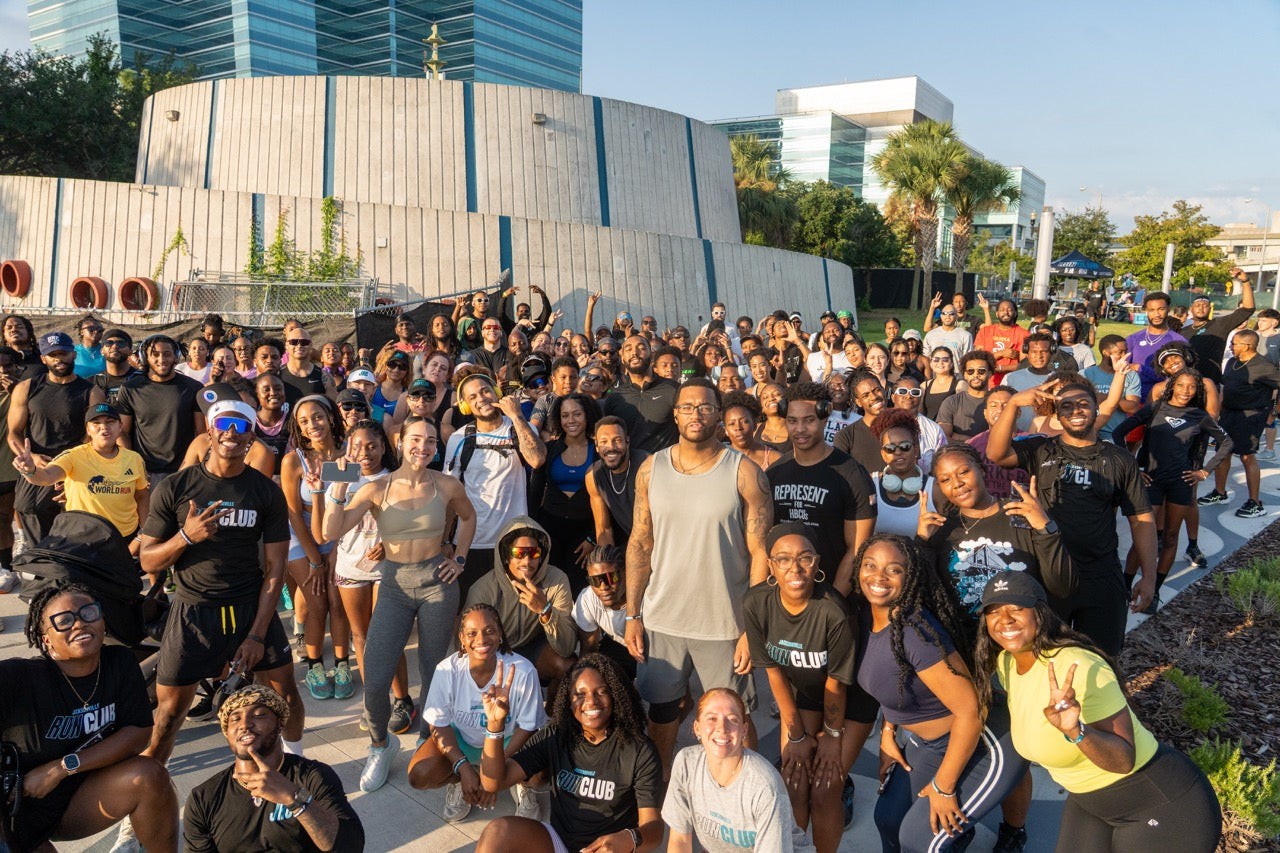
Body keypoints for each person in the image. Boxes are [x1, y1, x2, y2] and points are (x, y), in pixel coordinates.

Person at [975, 572, 1222, 852]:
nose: (1004, 619)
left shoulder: (1079, 666)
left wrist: (1076, 731)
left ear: (1040, 613)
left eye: (1016, 608)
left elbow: (1123, 760)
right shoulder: (1007, 663)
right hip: (1091, 802)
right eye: (993, 611)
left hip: (1161, 803)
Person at [137, 394, 304, 767]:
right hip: (193, 611)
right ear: (209, 433)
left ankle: (296, 766)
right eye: (224, 425)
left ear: (251, 439)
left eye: (242, 426)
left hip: (249, 608)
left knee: (286, 697)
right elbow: (148, 558)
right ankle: (150, 789)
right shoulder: (174, 489)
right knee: (168, 715)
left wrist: (258, 634)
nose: (232, 432)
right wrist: (185, 537)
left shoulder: (265, 492)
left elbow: (275, 567)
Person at [319, 415, 476, 791]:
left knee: (434, 669)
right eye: (416, 439)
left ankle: (427, 738)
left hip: (437, 582)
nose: (423, 447)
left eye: (430, 440)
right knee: (375, 677)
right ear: (400, 442)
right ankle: (380, 744)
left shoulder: (447, 484)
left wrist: (460, 559)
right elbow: (330, 531)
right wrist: (338, 486)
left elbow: (469, 518)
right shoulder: (377, 488)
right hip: (393, 584)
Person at [626, 378, 773, 778]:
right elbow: (640, 543)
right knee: (661, 715)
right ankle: (658, 790)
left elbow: (762, 553)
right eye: (687, 407)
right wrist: (632, 615)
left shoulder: (744, 473)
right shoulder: (651, 469)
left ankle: (746, 790)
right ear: (675, 414)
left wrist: (751, 627)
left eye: (705, 407)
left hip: (724, 623)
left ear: (719, 415)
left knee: (734, 721)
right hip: (662, 619)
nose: (696, 414)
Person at [857, 534, 1027, 853]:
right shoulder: (867, 617)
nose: (878, 577)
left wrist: (944, 787)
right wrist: (888, 731)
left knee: (920, 841)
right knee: (888, 820)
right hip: (931, 743)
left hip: (984, 742)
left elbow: (971, 712)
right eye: (870, 565)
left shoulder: (915, 633)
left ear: (910, 578)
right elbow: (890, 684)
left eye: (893, 569)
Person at [986, 376, 1158, 655]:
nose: (1075, 411)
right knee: (1047, 655)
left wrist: (1148, 576)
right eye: (1066, 406)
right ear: (1056, 413)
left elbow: (1141, 519)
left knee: (1103, 658)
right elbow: (996, 453)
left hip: (1100, 574)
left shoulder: (1118, 458)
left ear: (1096, 408)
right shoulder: (1042, 448)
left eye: (1083, 404)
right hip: (1049, 573)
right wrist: (1015, 402)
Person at [3, 584, 178, 853]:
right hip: (15, 813)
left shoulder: (119, 663)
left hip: (80, 800)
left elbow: (138, 733)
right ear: (46, 638)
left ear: (103, 622)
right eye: (63, 621)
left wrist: (61, 768)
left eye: (89, 613)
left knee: (150, 775)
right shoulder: (19, 677)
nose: (79, 624)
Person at [743, 524, 862, 853]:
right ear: (771, 566)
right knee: (793, 783)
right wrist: (796, 735)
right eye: (783, 559)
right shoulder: (756, 603)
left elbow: (836, 684)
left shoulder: (833, 611)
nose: (795, 569)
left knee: (825, 788)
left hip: (849, 700)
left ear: (818, 563)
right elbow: (774, 673)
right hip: (805, 693)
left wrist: (830, 736)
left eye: (804, 558)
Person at [476, 653, 664, 853]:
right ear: (568, 700)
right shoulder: (556, 736)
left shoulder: (640, 750)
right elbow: (492, 782)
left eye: (601, 692)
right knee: (498, 832)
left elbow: (654, 830)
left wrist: (629, 838)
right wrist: (495, 725)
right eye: (580, 694)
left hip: (609, 848)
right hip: (559, 841)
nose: (591, 701)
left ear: (616, 695)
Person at [184, 685, 365, 852]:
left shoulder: (312, 777)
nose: (245, 724)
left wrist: (294, 798)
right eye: (235, 719)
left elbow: (350, 846)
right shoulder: (204, 797)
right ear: (227, 732)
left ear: (280, 724)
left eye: (259, 715)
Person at [409, 603, 546, 822]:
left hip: (507, 745)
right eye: (472, 633)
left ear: (500, 634)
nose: (481, 640)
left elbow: (529, 726)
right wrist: (462, 767)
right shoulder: (447, 670)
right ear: (462, 638)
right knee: (420, 774)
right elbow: (438, 724)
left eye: (490, 631)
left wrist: (494, 771)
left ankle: (520, 784)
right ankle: (458, 779)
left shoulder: (523, 670)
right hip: (463, 741)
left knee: (541, 773)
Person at [1111, 370, 1232, 606]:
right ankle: (1125, 586)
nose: (1185, 391)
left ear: (1197, 391)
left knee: (1171, 537)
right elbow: (1118, 433)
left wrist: (1204, 471)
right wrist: (1134, 468)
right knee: (1142, 537)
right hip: (1152, 481)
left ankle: (1154, 590)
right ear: (1172, 387)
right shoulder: (1155, 408)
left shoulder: (1200, 415)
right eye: (1180, 386)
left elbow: (1227, 442)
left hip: (1181, 483)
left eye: (1191, 387)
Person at [920, 442, 1077, 614]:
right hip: (968, 638)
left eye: (964, 472)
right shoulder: (941, 531)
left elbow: (1063, 588)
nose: (957, 483)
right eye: (945, 479)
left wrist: (1044, 529)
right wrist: (921, 542)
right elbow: (926, 597)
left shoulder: (1021, 515)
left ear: (982, 470)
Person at [663, 687, 812, 853]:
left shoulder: (764, 786)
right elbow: (679, 841)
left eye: (732, 720)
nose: (722, 728)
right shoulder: (686, 764)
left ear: (744, 730)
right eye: (712, 718)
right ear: (697, 728)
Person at [767, 382, 876, 596]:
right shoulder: (774, 473)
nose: (799, 429)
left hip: (833, 597)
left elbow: (856, 550)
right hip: (785, 598)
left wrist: (831, 606)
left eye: (808, 420)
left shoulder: (853, 475)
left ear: (825, 417)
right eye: (792, 421)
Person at [444, 372, 547, 591]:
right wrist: (445, 540)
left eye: (485, 391)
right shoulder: (459, 438)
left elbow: (537, 460)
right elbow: (450, 495)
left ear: (497, 392)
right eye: (472, 397)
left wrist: (517, 416)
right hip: (472, 541)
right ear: (465, 406)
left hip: (515, 540)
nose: (481, 398)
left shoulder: (521, 428)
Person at [281, 395, 349, 700]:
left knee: (338, 601)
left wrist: (335, 551)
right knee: (318, 600)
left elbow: (348, 504)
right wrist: (315, 561)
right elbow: (294, 514)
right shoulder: (293, 460)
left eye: (318, 417)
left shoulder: (346, 455)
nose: (313, 425)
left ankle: (343, 663)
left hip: (337, 533)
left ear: (331, 417)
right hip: (300, 537)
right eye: (304, 421)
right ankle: (314, 665)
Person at [464, 516, 577, 691]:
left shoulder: (557, 580)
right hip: (495, 651)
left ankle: (555, 716)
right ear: (506, 556)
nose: (527, 561)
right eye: (519, 553)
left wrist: (545, 610)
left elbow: (567, 647)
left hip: (534, 650)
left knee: (568, 666)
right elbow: (467, 644)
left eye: (534, 553)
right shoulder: (483, 589)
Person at [14, 402, 149, 548]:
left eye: (110, 422)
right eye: (96, 423)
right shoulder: (73, 456)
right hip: (83, 539)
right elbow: (46, 477)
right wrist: (29, 470)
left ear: (120, 426)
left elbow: (142, 495)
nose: (103, 427)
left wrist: (145, 532)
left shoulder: (134, 459)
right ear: (88, 429)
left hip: (124, 537)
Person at [6, 331, 96, 545]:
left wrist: (70, 466)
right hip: (38, 466)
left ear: (73, 354)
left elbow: (93, 436)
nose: (59, 359)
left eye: (63, 353)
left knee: (74, 523)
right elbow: (14, 433)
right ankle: (37, 565)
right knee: (28, 508)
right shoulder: (26, 388)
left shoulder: (91, 392)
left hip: (74, 468)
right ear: (43, 358)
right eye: (52, 354)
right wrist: (33, 458)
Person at [1202, 329, 1280, 518]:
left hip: (1251, 416)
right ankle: (1220, 493)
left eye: (1234, 344)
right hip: (1228, 415)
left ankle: (1255, 503)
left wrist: (1275, 412)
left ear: (1247, 345)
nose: (1231, 346)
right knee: (1223, 453)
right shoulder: (1232, 362)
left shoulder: (1264, 366)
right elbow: (1224, 388)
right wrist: (1217, 413)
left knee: (1247, 457)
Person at [116, 335, 204, 488]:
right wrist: (133, 467)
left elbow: (201, 433)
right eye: (155, 354)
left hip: (182, 471)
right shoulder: (130, 389)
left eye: (167, 354)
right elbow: (122, 432)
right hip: (144, 472)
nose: (161, 359)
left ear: (176, 358)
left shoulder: (193, 388)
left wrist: (189, 466)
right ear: (145, 358)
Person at [531, 393, 598, 590]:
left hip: (584, 532)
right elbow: (534, 494)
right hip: (550, 529)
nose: (571, 420)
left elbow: (608, 499)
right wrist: (535, 533)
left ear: (587, 416)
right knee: (550, 587)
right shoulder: (549, 449)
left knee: (579, 588)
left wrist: (593, 537)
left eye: (577, 414)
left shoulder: (598, 451)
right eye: (565, 415)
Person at [601, 334, 677, 453]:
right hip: (631, 468)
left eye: (641, 348)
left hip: (665, 467)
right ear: (622, 358)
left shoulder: (673, 389)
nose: (634, 353)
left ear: (652, 355)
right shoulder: (615, 397)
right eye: (628, 349)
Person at [867, 409, 937, 537]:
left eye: (905, 446)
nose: (898, 452)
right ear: (883, 454)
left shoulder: (935, 489)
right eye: (890, 448)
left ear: (916, 450)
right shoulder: (869, 484)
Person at [583, 416, 648, 551]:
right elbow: (604, 529)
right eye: (604, 442)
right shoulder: (593, 475)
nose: (611, 447)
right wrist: (608, 565)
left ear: (627, 441)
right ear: (596, 447)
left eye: (617, 440)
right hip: (632, 544)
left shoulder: (647, 465)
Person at [1183, 269, 1255, 384]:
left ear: (1210, 309)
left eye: (1205, 305)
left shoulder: (1220, 324)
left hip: (1211, 383)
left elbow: (1247, 309)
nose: (1201, 308)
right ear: (1191, 308)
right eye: (1197, 305)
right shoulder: (1183, 332)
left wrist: (1245, 281)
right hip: (1187, 383)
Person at [572, 544, 635, 676]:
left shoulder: (646, 596)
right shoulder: (587, 598)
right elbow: (589, 648)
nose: (603, 587)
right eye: (595, 580)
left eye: (610, 578)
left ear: (625, 572)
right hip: (619, 650)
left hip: (652, 651)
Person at [1126, 292, 1187, 399]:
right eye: (1152, 310)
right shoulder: (1133, 339)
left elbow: (1182, 377)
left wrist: (1140, 368)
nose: (1157, 314)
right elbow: (1122, 370)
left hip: (1164, 402)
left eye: (1161, 309)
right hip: (1135, 400)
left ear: (1168, 309)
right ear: (1146, 311)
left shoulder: (1179, 341)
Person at [1083, 336, 1143, 444]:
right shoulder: (1085, 374)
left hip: (1115, 435)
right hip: (1090, 434)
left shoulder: (1131, 375)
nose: (1124, 356)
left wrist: (1105, 398)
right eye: (1120, 352)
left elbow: (1133, 407)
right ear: (1105, 353)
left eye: (1126, 351)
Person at [834, 370, 892, 475]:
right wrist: (874, 479)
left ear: (884, 390)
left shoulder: (904, 429)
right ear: (858, 402)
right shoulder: (845, 436)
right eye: (866, 395)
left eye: (877, 390)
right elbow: (841, 476)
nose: (874, 397)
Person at [888, 375, 946, 470]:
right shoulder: (881, 425)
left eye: (915, 392)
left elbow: (942, 464)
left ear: (920, 398)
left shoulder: (934, 429)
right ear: (893, 397)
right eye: (902, 392)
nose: (909, 396)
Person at [938, 351, 993, 440]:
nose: (976, 375)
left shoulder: (998, 401)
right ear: (965, 375)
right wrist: (974, 442)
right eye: (970, 371)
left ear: (990, 374)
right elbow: (944, 436)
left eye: (981, 371)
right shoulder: (951, 401)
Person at [973, 297, 1029, 385]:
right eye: (1002, 310)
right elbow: (977, 360)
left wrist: (1000, 368)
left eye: (1009, 310)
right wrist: (1001, 353)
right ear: (997, 314)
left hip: (1012, 383)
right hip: (987, 383)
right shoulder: (984, 331)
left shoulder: (1024, 334)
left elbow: (1024, 365)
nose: (1006, 312)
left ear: (1015, 313)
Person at [722, 391, 777, 471]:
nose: (738, 428)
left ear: (754, 425)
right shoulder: (718, 458)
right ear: (726, 430)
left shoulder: (774, 458)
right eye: (732, 424)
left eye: (744, 422)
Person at [282, 327, 338, 401]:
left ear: (311, 345)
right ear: (286, 345)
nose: (299, 346)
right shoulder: (277, 374)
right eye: (294, 342)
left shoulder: (325, 377)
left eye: (304, 342)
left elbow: (332, 410)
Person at [89, 328, 141, 407]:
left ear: (130, 351)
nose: (115, 346)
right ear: (101, 351)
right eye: (109, 343)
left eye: (121, 344)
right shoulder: (92, 383)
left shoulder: (142, 380)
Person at [922, 296, 974, 363]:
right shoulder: (931, 335)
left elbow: (968, 360)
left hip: (956, 373)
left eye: (951, 313)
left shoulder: (966, 336)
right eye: (945, 313)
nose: (948, 316)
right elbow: (926, 359)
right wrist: (932, 308)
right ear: (941, 316)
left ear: (956, 317)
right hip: (935, 373)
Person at [822, 370, 859, 445]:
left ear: (850, 390)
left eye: (843, 385)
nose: (838, 388)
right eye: (833, 385)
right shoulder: (819, 414)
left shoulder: (858, 419)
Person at [922, 347, 959, 419]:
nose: (940, 363)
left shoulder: (960, 385)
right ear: (931, 364)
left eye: (945, 360)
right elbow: (920, 414)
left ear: (951, 363)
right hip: (930, 428)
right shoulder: (924, 386)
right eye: (936, 360)